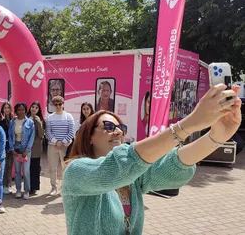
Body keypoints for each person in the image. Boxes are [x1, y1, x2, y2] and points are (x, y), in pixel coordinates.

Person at [62, 84, 242, 235]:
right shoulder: (76, 172)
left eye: (121, 127)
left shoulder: (133, 179)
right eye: (108, 126)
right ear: (89, 137)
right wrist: (190, 123)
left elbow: (172, 166)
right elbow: (118, 166)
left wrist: (216, 137)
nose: (117, 131)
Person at [45, 96, 74, 196]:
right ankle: (54, 187)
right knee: (52, 168)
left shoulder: (69, 116)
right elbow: (48, 132)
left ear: (63, 104)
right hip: (52, 146)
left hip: (65, 146)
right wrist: (56, 142)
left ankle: (64, 187)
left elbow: (71, 132)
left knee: (65, 167)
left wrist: (62, 142)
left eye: (59, 104)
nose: (58, 106)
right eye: (56, 104)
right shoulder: (49, 118)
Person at [8, 103, 35, 200]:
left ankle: (26, 190)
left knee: (26, 171)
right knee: (17, 171)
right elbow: (10, 136)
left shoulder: (30, 122)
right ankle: (18, 190)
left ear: (25, 110)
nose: (21, 112)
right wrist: (12, 149)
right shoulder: (12, 122)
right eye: (19, 110)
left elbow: (32, 137)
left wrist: (27, 150)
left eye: (23, 109)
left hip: (26, 149)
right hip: (16, 148)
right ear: (16, 111)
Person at [27, 101, 45, 195]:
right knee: (27, 168)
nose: (34, 109)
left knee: (35, 168)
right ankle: (27, 186)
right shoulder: (26, 118)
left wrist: (38, 122)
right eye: (32, 106)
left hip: (36, 148)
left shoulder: (40, 120)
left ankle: (34, 187)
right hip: (26, 148)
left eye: (36, 107)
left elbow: (41, 135)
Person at [0, 102, 14, 195]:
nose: (6, 109)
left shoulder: (13, 119)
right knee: (1, 167)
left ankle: (7, 185)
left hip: (11, 146)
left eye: (8, 107)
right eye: (5, 108)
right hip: (1, 146)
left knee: (9, 166)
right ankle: (1, 185)